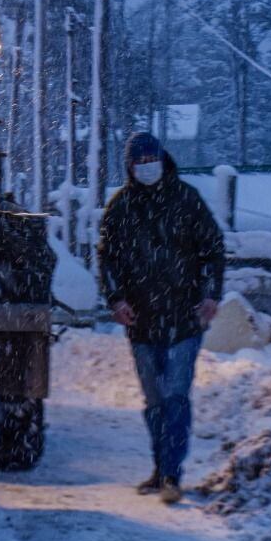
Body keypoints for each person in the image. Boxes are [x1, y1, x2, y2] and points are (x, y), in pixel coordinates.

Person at [98, 131, 225, 504]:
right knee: (154, 401)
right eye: (139, 162)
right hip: (142, 321)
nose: (146, 167)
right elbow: (108, 260)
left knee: (175, 397)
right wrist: (116, 300)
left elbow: (213, 249)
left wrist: (210, 294)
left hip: (183, 319)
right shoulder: (121, 208)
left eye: (151, 159)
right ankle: (160, 466)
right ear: (130, 166)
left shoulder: (186, 201)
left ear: (162, 159)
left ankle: (172, 472)